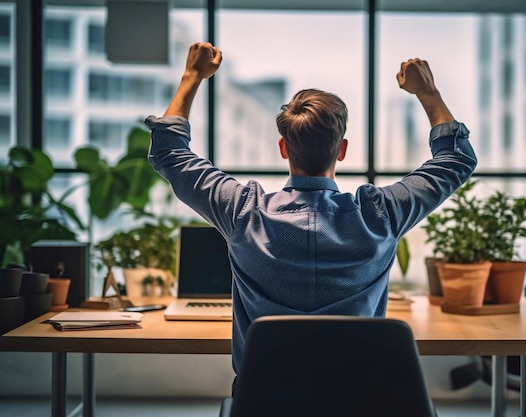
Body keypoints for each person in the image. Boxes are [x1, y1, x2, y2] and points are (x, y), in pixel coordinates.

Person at [145, 41, 477, 390]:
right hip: (360, 406)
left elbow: (169, 152)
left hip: (263, 406)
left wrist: (192, 76)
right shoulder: (380, 216)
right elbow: (457, 160)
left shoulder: (243, 212)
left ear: (283, 148)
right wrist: (429, 92)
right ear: (343, 149)